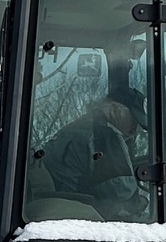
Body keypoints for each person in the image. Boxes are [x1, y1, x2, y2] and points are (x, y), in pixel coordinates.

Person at [35, 75, 151, 218]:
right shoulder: (104, 135)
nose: (135, 130)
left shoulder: (76, 127)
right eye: (133, 121)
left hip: (61, 207)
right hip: (80, 215)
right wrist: (143, 202)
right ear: (114, 110)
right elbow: (123, 198)